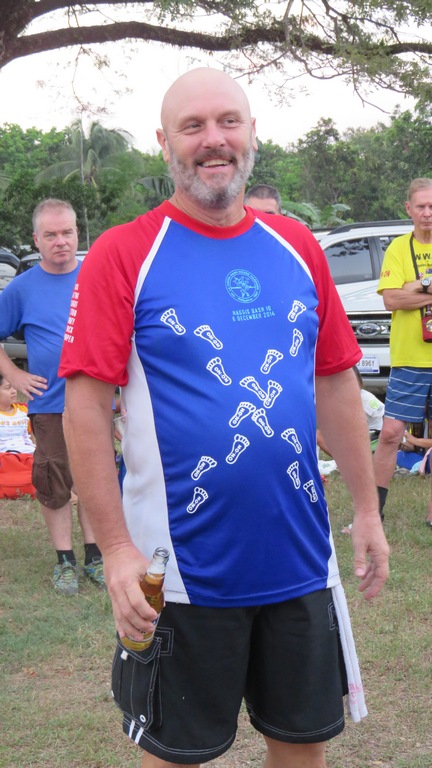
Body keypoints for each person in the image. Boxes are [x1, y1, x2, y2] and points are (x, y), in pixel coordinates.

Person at [60, 68, 389, 768]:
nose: (214, 139)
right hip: (179, 570)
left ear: (252, 134)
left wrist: (366, 510)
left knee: (302, 748)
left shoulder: (297, 246)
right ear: (164, 143)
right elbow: (85, 408)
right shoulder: (125, 252)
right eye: (193, 126)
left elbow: (335, 381)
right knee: (176, 756)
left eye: (228, 122)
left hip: (301, 559)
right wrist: (115, 550)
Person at [0, 198, 105, 595]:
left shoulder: (98, 277)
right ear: (36, 239)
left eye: (67, 232)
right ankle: (64, 561)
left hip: (95, 401)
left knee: (94, 479)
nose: (61, 241)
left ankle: (95, 556)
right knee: (54, 480)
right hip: (49, 404)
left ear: (77, 234)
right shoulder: (22, 288)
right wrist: (14, 373)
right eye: (51, 235)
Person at [373, 178, 432, 524]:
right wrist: (426, 284)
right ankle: (373, 513)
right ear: (409, 209)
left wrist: (412, 287)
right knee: (391, 434)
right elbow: (391, 299)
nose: (427, 213)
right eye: (421, 206)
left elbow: (402, 293)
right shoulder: (398, 248)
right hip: (409, 358)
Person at [317, 366, 384, 456]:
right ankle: (344, 460)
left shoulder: (366, 399)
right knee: (318, 435)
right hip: (349, 439)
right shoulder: (332, 401)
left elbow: (385, 417)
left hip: (373, 438)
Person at [0, 374, 36, 499]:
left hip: (28, 456)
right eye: (7, 388)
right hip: (4, 459)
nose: (13, 391)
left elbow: (30, 436)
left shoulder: (24, 410)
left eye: (14, 387)